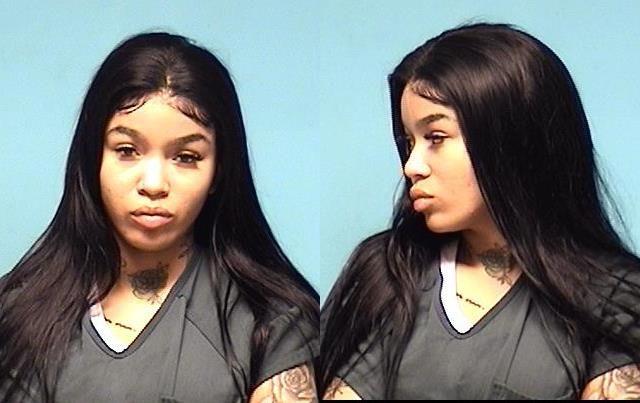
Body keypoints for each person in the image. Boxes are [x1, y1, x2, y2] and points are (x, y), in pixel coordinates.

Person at [319, 23, 640, 400]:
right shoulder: (387, 275)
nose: (411, 166)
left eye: (436, 138)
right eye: (409, 142)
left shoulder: (614, 297)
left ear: (511, 138)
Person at [0, 32, 318, 402]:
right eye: (127, 150)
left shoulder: (270, 321)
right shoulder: (19, 311)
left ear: (218, 172)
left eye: (186, 157)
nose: (153, 184)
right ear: (92, 158)